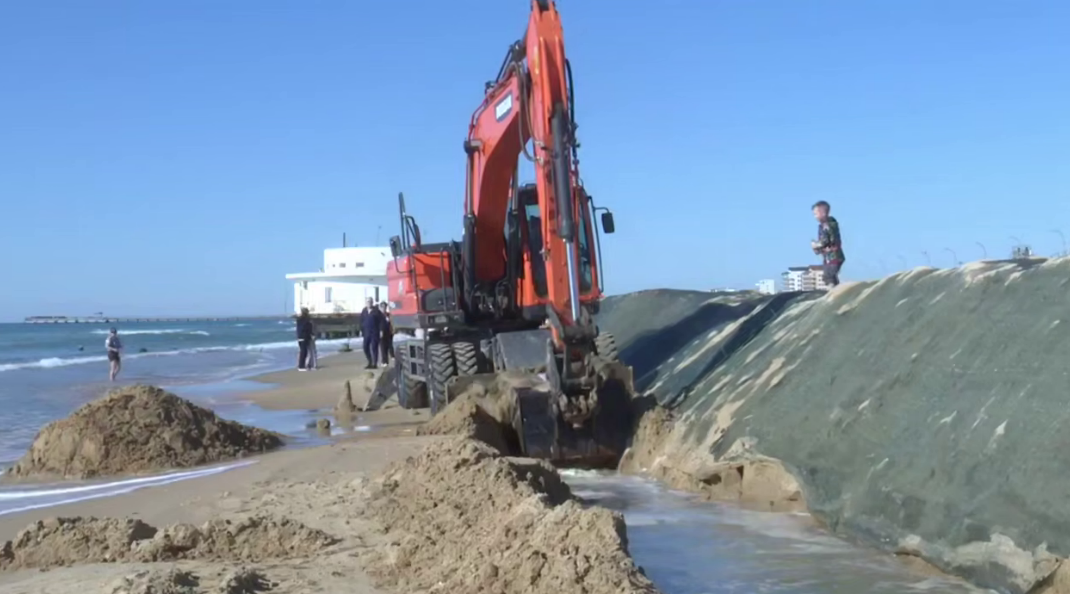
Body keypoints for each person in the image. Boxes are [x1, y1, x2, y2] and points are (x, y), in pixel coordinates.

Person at [810, 200, 845, 288]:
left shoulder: (828, 224)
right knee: (830, 277)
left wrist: (816, 244)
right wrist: (818, 249)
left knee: (828, 277)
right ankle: (836, 290)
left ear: (823, 213)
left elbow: (827, 240)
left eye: (815, 214)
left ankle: (833, 291)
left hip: (834, 257)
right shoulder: (828, 224)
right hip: (829, 257)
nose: (815, 217)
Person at [360, 298, 384, 369]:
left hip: (374, 332)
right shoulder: (364, 311)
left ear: (372, 303)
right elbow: (361, 321)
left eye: (370, 302)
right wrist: (361, 330)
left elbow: (381, 321)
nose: (369, 303)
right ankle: (369, 362)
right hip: (366, 332)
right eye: (367, 302)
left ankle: (374, 363)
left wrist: (381, 330)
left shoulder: (376, 311)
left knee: (374, 348)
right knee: (365, 347)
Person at [379, 301, 394, 368]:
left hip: (389, 332)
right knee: (383, 347)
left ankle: (392, 355)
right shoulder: (378, 315)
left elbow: (391, 323)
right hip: (381, 333)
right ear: (380, 307)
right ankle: (384, 361)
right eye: (382, 307)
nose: (384, 308)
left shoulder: (388, 315)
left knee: (390, 345)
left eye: (385, 307)